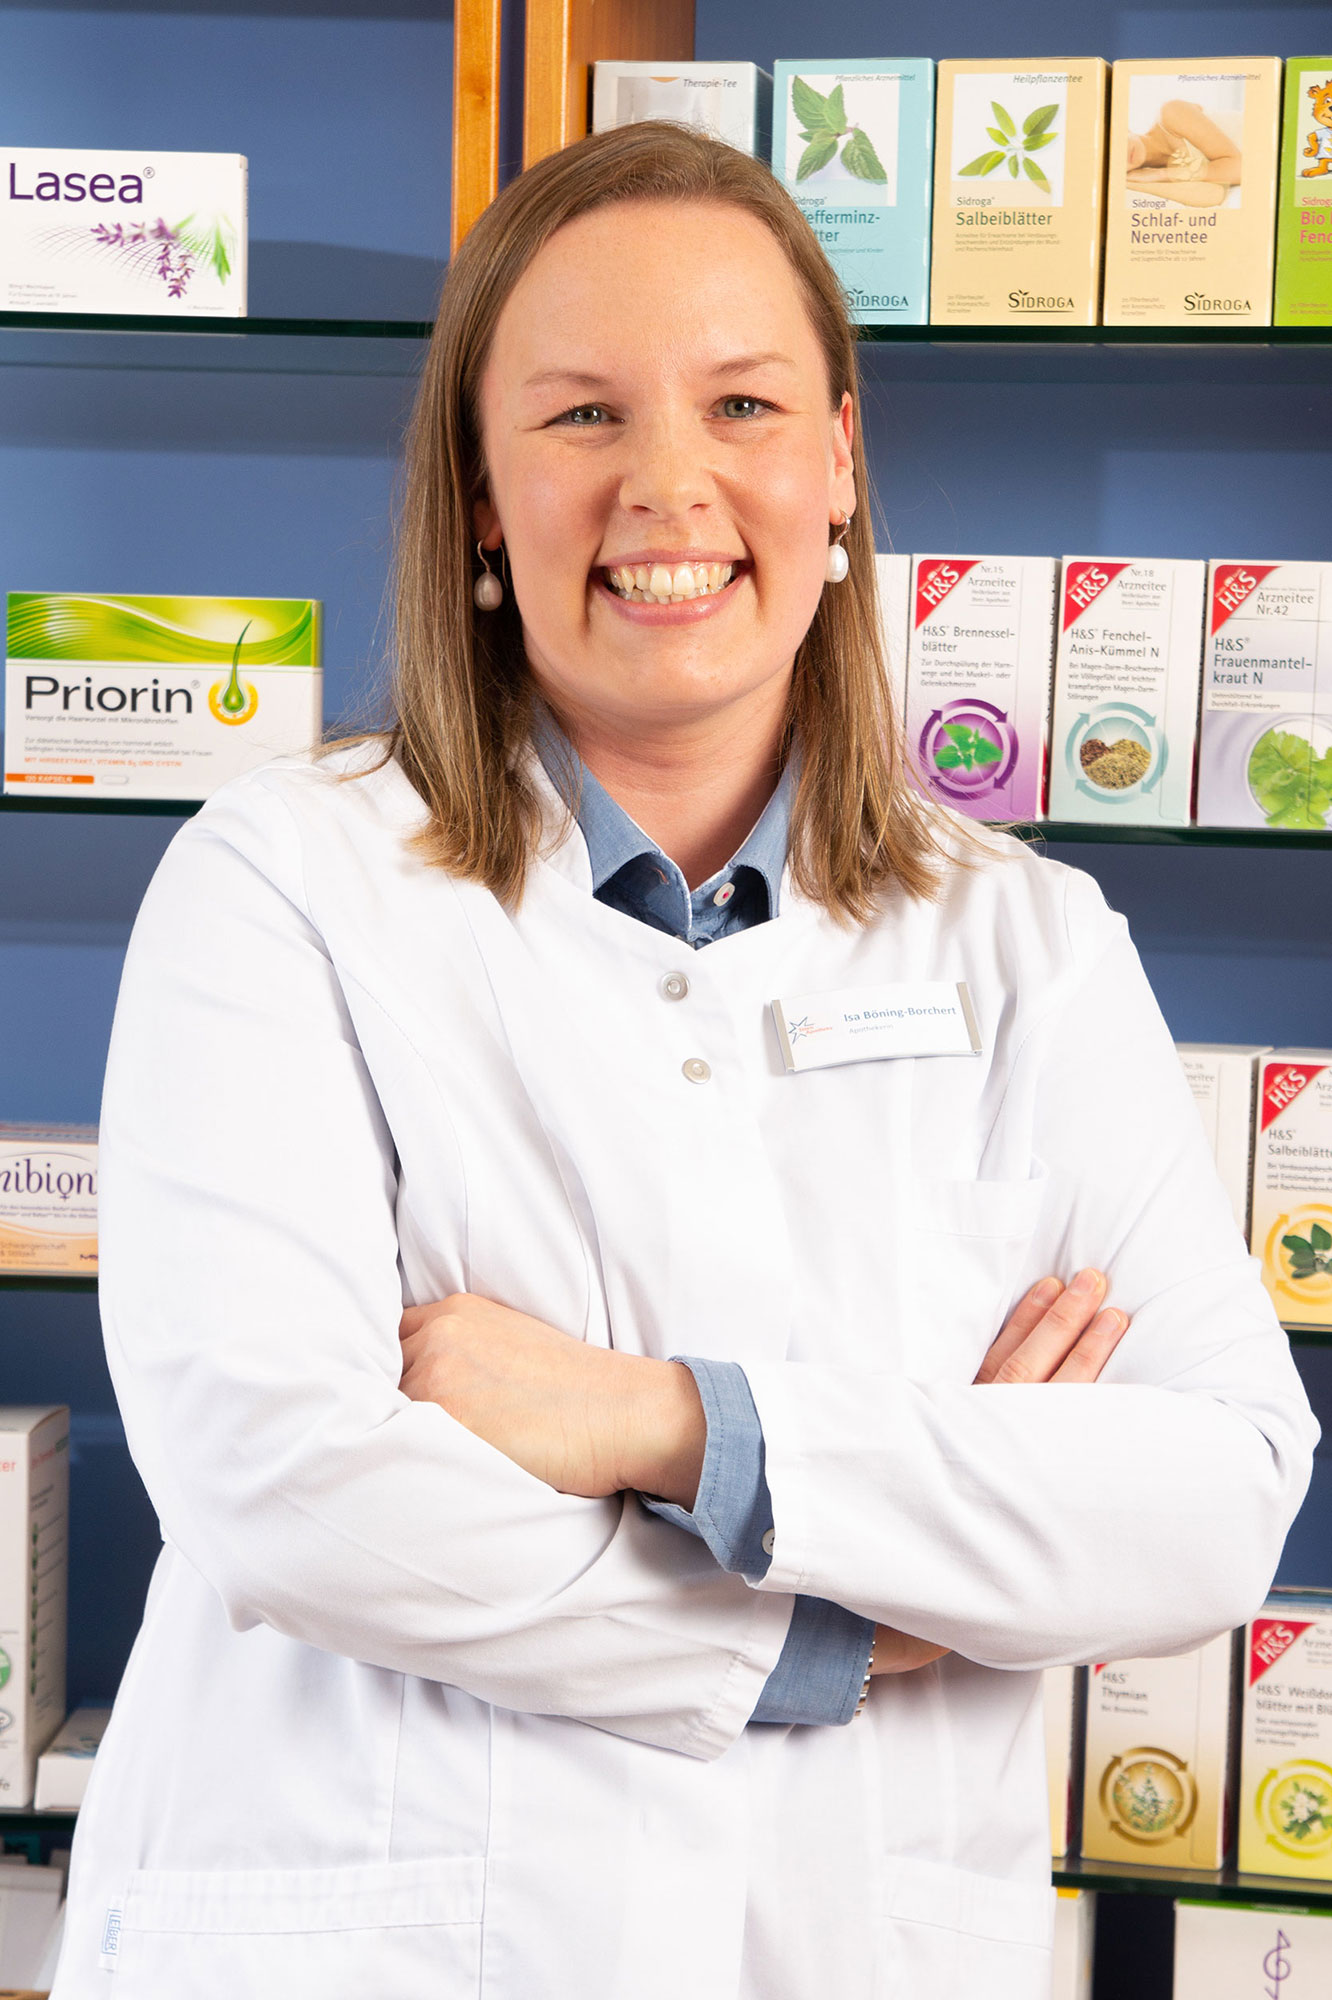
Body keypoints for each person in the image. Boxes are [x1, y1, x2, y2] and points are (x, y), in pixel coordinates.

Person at [52, 125, 1315, 1999]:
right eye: (577, 417)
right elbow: (292, 1484)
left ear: (840, 464)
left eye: (740, 401)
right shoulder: (279, 889)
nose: (667, 484)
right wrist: (851, 1620)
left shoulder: (1029, 943)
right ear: (479, 491)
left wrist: (660, 1425)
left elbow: (1217, 1490)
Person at [1125, 97, 1244, 208]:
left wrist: (1161, 174)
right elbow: (1215, 195)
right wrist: (1130, 184)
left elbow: (1241, 169)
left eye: (1115, 143)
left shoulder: (1170, 113)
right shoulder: (1148, 174)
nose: (1122, 155)